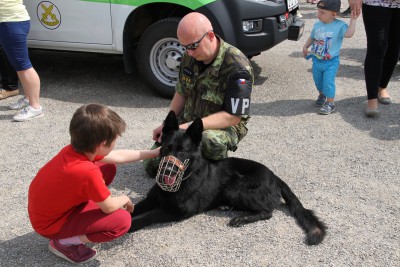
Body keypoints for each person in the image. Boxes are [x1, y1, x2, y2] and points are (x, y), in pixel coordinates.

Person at [28, 103, 160, 264]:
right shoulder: (88, 172)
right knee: (122, 221)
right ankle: (64, 243)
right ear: (102, 144)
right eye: (116, 138)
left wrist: (154, 153)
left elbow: (118, 156)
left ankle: (81, 217)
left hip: (47, 212)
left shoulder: (75, 150)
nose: (117, 141)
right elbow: (110, 207)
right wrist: (124, 198)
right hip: (50, 225)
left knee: (108, 167)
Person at [143, 12, 254, 177]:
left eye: (193, 46)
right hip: (190, 122)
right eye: (185, 47)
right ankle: (190, 166)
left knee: (208, 141)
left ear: (210, 36)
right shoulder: (190, 56)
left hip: (223, 126)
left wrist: (187, 127)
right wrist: (167, 125)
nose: (189, 53)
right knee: (152, 166)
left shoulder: (238, 67)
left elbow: (233, 117)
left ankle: (215, 175)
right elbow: (182, 92)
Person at [303, 0, 359, 115]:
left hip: (331, 62)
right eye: (318, 11)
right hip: (317, 60)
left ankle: (330, 103)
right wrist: (305, 46)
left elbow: (349, 34)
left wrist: (353, 20)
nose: (319, 15)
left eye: (322, 12)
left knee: (328, 81)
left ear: (333, 14)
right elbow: (312, 37)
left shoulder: (339, 25)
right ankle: (322, 95)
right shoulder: (317, 25)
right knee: (318, 81)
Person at [349, 0, 400, 117]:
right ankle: (372, 99)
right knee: (376, 47)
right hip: (375, 3)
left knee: (395, 49)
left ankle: (382, 87)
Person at [0, 0, 43, 121]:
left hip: (11, 22)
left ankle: (35, 107)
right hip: (11, 21)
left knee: (23, 66)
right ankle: (29, 98)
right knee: (19, 65)